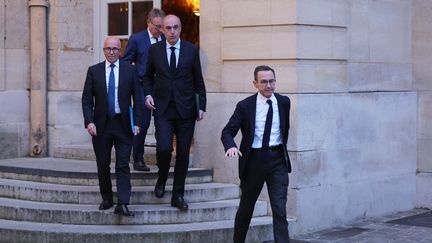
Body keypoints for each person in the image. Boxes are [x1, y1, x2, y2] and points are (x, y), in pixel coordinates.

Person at [142, 14, 206, 210]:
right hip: (163, 108)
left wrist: (201, 105)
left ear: (180, 29)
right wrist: (147, 95)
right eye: (168, 28)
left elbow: (199, 80)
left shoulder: (191, 50)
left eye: (175, 27)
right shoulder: (154, 50)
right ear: (162, 30)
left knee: (183, 154)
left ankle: (178, 194)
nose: (172, 31)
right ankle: (161, 178)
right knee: (163, 148)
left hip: (186, 109)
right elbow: (147, 77)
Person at [221, 65, 291, 242]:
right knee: (246, 209)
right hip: (253, 162)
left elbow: (285, 130)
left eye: (272, 81)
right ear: (255, 83)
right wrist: (231, 146)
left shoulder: (284, 102)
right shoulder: (245, 106)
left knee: (280, 209)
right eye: (264, 82)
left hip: (277, 161)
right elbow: (228, 131)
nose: (269, 86)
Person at [82, 36, 143, 217]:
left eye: (115, 48)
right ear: (103, 50)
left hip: (124, 125)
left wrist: (137, 123)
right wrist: (89, 121)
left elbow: (138, 99)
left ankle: (123, 203)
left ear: (120, 50)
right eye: (108, 48)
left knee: (123, 164)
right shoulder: (94, 71)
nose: (111, 51)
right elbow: (86, 100)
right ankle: (107, 198)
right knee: (103, 164)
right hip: (101, 126)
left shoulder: (130, 70)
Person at [123, 8, 166, 172]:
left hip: (162, 88)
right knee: (142, 123)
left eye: (162, 26)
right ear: (148, 23)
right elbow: (127, 63)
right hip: (142, 86)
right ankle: (138, 159)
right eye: (157, 26)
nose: (160, 30)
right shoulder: (137, 39)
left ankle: (162, 158)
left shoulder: (165, 38)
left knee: (163, 123)